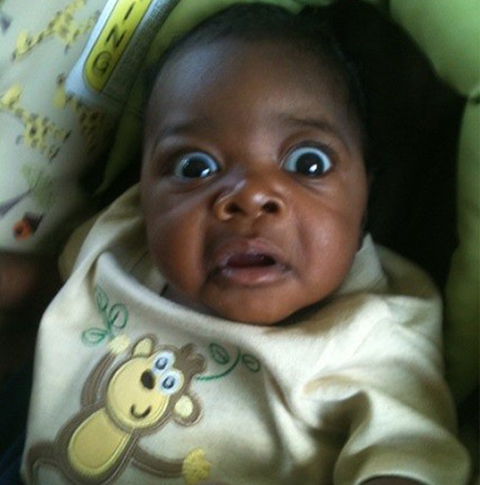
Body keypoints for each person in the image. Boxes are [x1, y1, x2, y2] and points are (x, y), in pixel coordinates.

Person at [19, 4, 470, 485]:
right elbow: (61, 290)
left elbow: (408, 456)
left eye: (308, 163)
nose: (250, 196)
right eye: (195, 167)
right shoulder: (124, 239)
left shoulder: (376, 331)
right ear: (145, 192)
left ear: (365, 194)